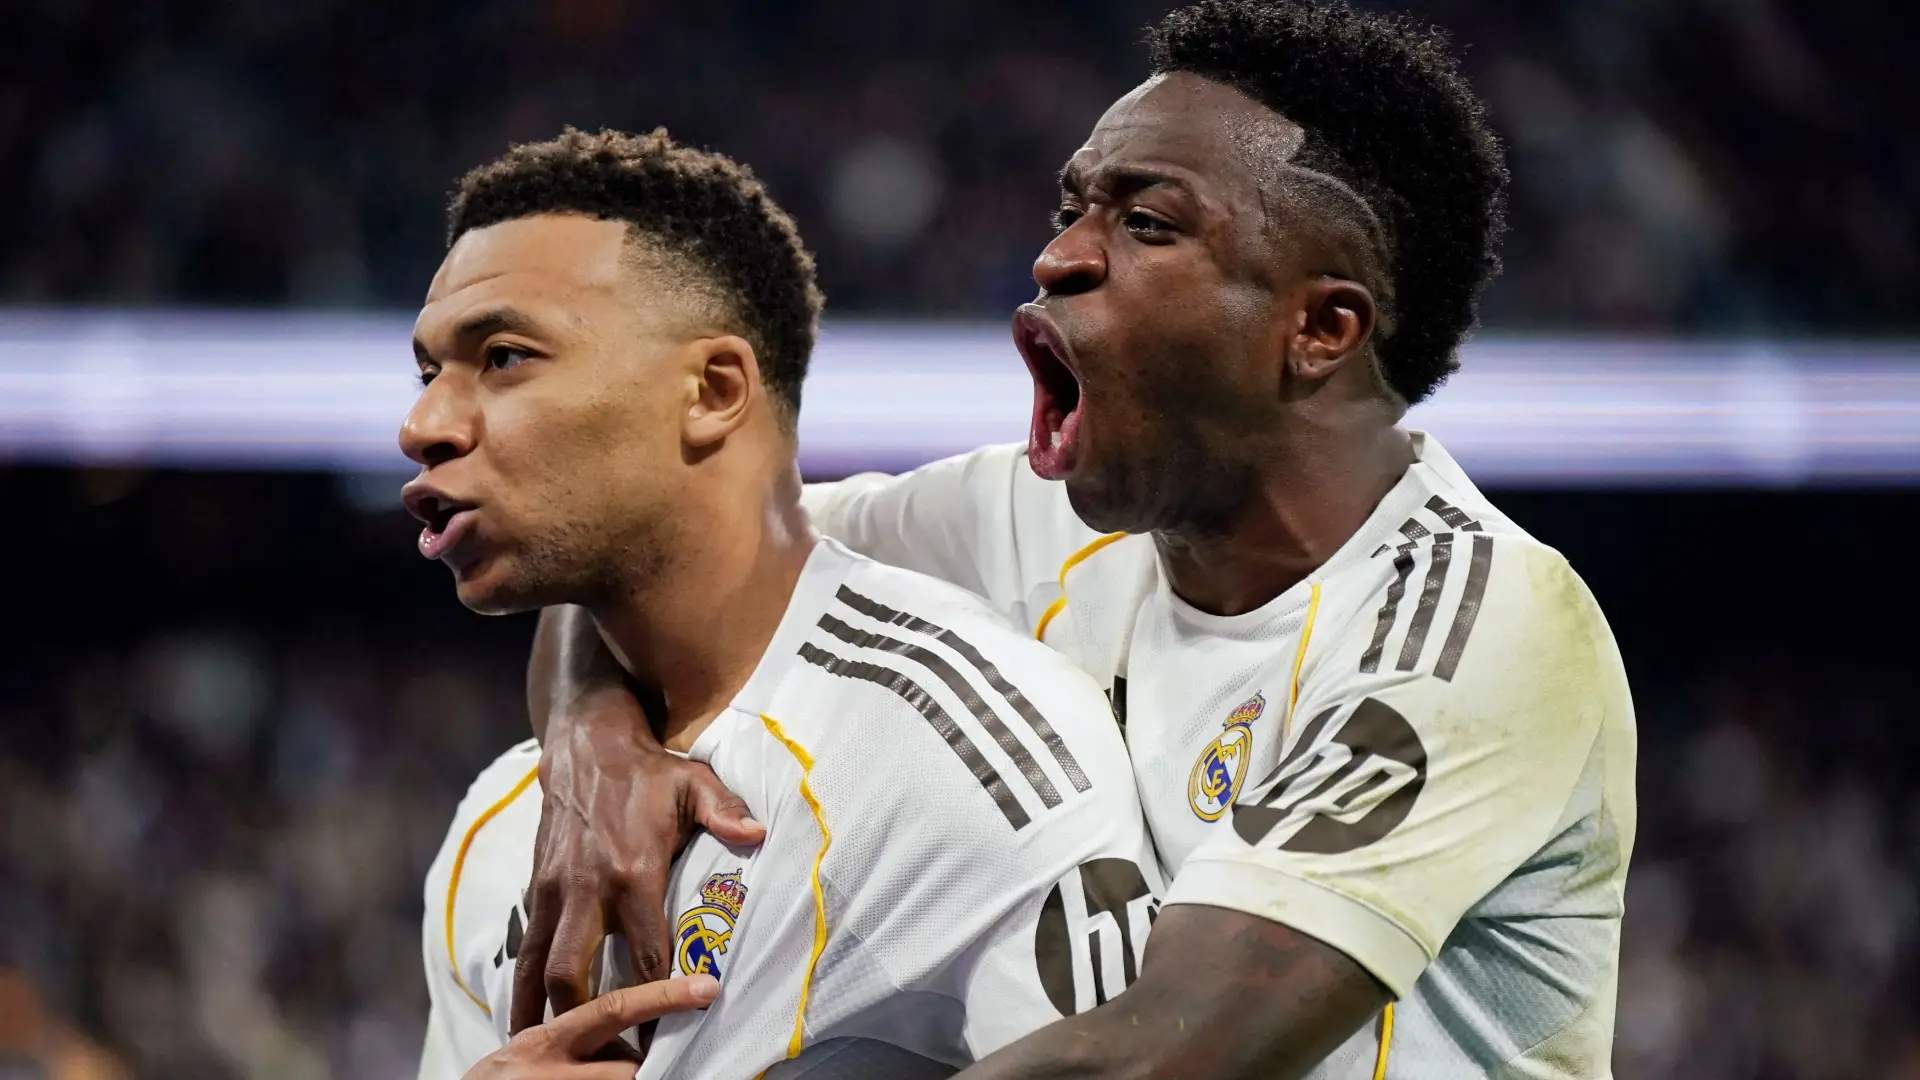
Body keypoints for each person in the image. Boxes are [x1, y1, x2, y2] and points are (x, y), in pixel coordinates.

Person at [513, 2, 1638, 1078]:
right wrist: (590, 743)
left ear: (1320, 328)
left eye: (1146, 224)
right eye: (1073, 209)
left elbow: (1166, 1055)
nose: (1059, 257)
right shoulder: (1023, 518)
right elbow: (657, 552)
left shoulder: (1480, 630)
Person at [404, 128, 1161, 1079]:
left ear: (714, 391)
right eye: (427, 374)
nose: (422, 425)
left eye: (505, 357)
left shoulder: (958, 756)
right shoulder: (499, 822)